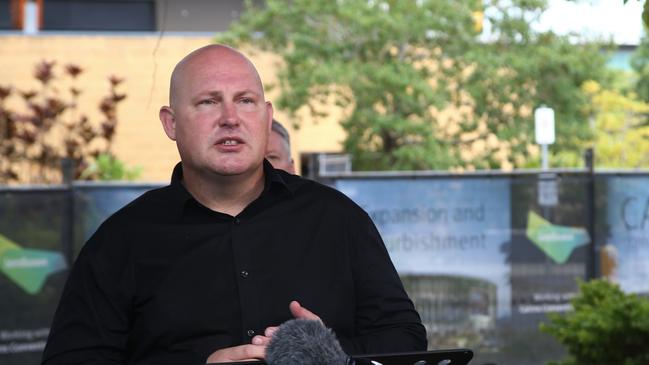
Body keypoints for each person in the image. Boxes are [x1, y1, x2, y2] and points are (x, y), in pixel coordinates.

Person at [42, 44, 426, 365]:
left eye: (245, 101)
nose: (230, 118)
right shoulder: (121, 241)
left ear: (266, 115)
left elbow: (406, 339)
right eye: (209, 102)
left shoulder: (338, 219)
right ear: (171, 123)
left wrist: (329, 356)